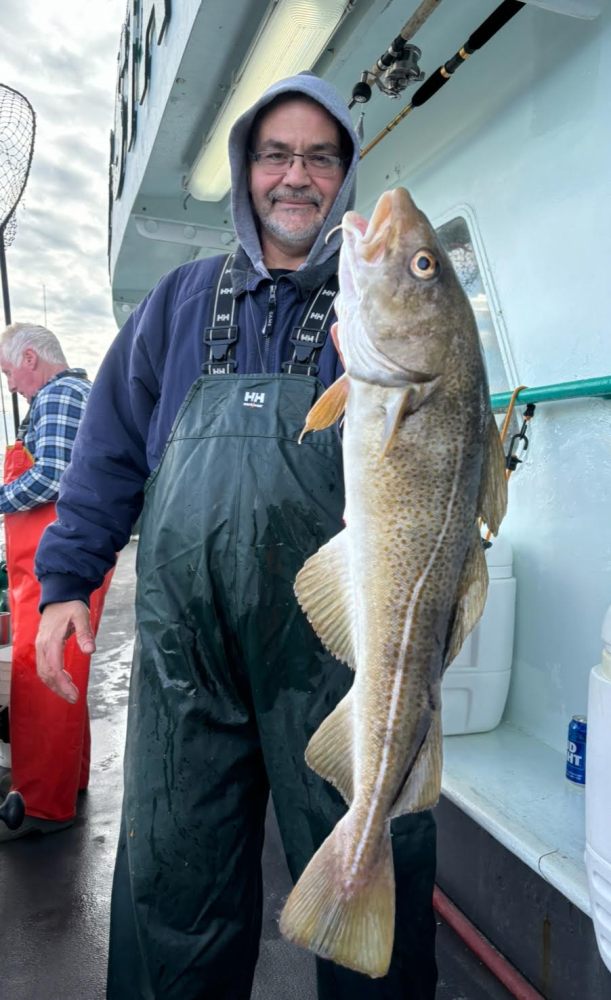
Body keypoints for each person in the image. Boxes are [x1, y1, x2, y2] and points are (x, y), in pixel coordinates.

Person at [34, 74, 437, 998]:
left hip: (338, 659)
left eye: (319, 157)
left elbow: (436, 471)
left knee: (376, 875)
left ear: (344, 174)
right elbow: (106, 459)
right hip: (188, 660)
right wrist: (66, 583)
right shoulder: (176, 303)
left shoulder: (374, 306)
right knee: (173, 888)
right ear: (245, 169)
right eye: (276, 154)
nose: (296, 176)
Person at [0, 322, 112, 841]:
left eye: (9, 374)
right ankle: (69, 781)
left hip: (56, 566)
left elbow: (52, 476)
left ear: (29, 358)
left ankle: (44, 807)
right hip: (66, 562)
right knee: (65, 671)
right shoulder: (75, 394)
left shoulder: (60, 394)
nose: (11, 387)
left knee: (42, 671)